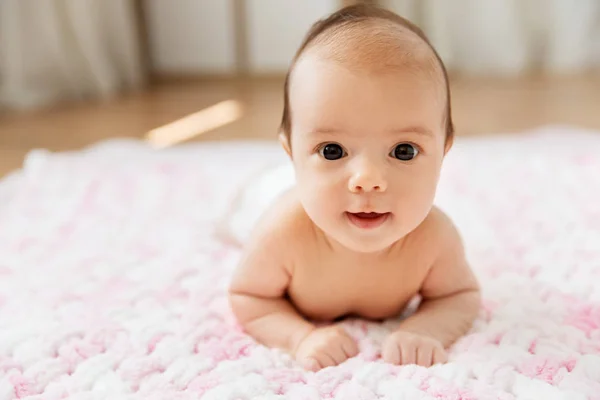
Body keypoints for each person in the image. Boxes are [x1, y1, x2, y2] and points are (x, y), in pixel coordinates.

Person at [228, 4, 481, 371]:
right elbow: (248, 295)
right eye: (332, 151)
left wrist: (426, 329)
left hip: (317, 192)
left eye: (403, 151)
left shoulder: (434, 239)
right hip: (268, 197)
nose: (367, 179)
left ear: (443, 152)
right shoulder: (281, 233)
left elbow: (460, 296)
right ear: (292, 152)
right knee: (242, 213)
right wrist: (300, 337)